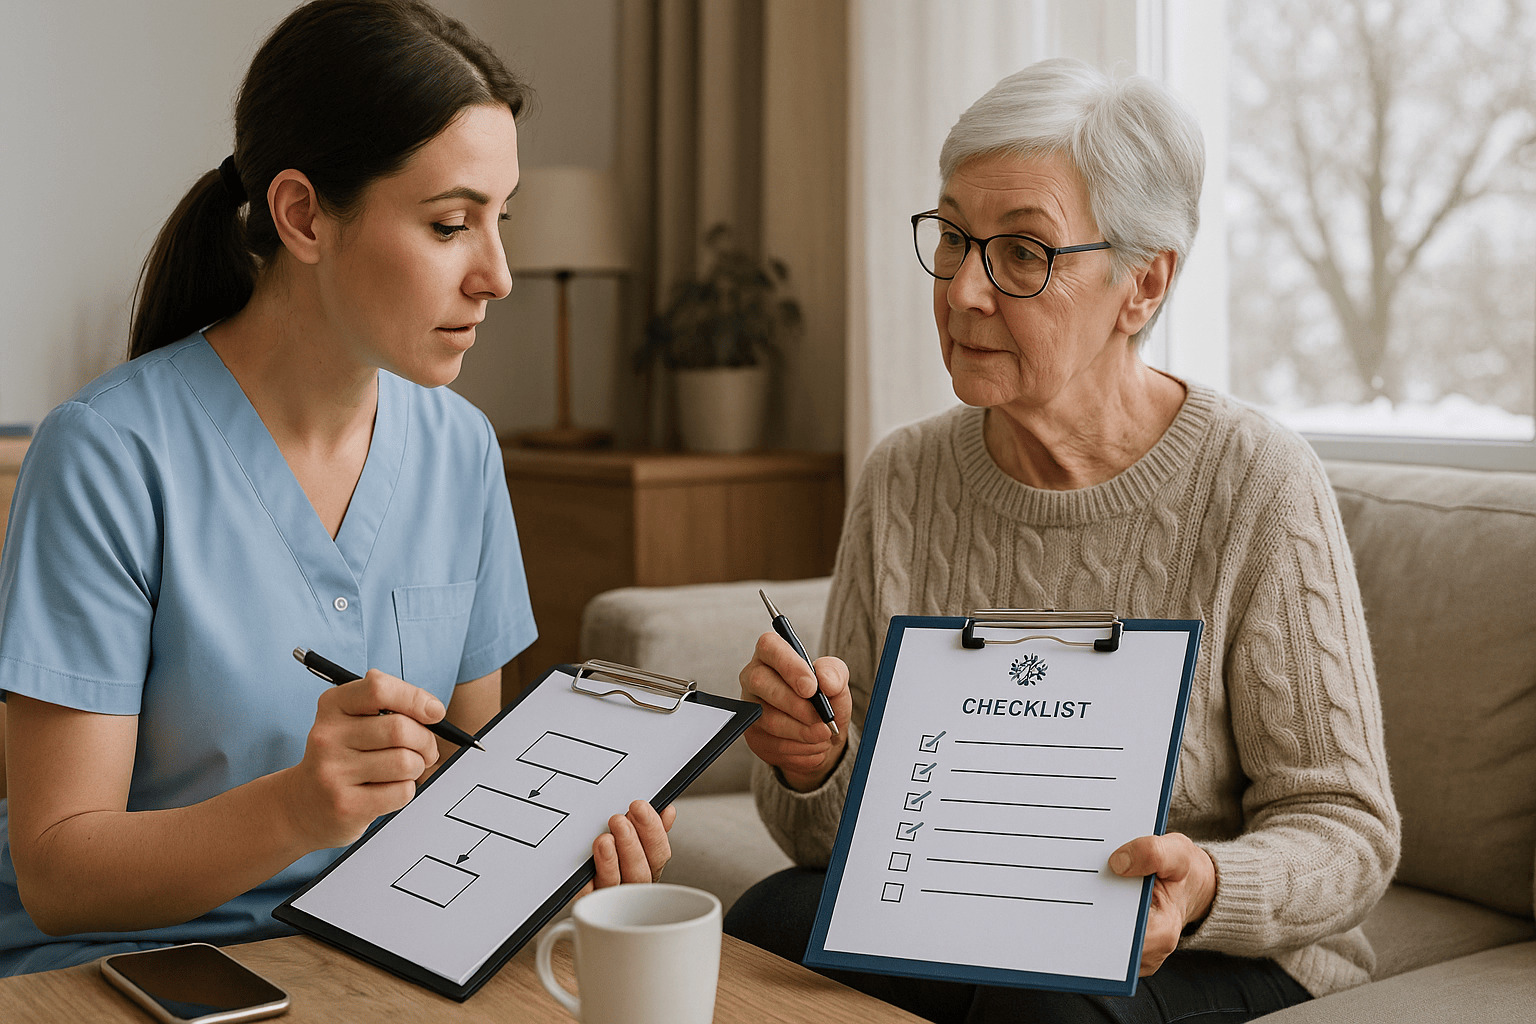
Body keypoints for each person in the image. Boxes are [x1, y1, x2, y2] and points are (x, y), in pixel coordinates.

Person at [0, 0, 672, 976]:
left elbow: (463, 798)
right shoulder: (104, 455)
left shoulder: (463, 450)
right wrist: (295, 808)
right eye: (451, 224)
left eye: (502, 220)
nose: (498, 275)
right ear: (303, 216)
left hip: (381, 958)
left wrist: (559, 853)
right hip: (131, 970)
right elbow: (59, 874)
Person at [727, 58, 1400, 1024]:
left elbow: (1348, 832)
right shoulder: (904, 475)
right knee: (763, 924)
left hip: (1200, 944)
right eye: (953, 237)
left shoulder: (1256, 479)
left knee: (1042, 1007)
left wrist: (1206, 884)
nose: (964, 290)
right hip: (971, 907)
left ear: (1143, 286)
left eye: (1022, 253)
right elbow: (841, 847)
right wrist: (814, 762)